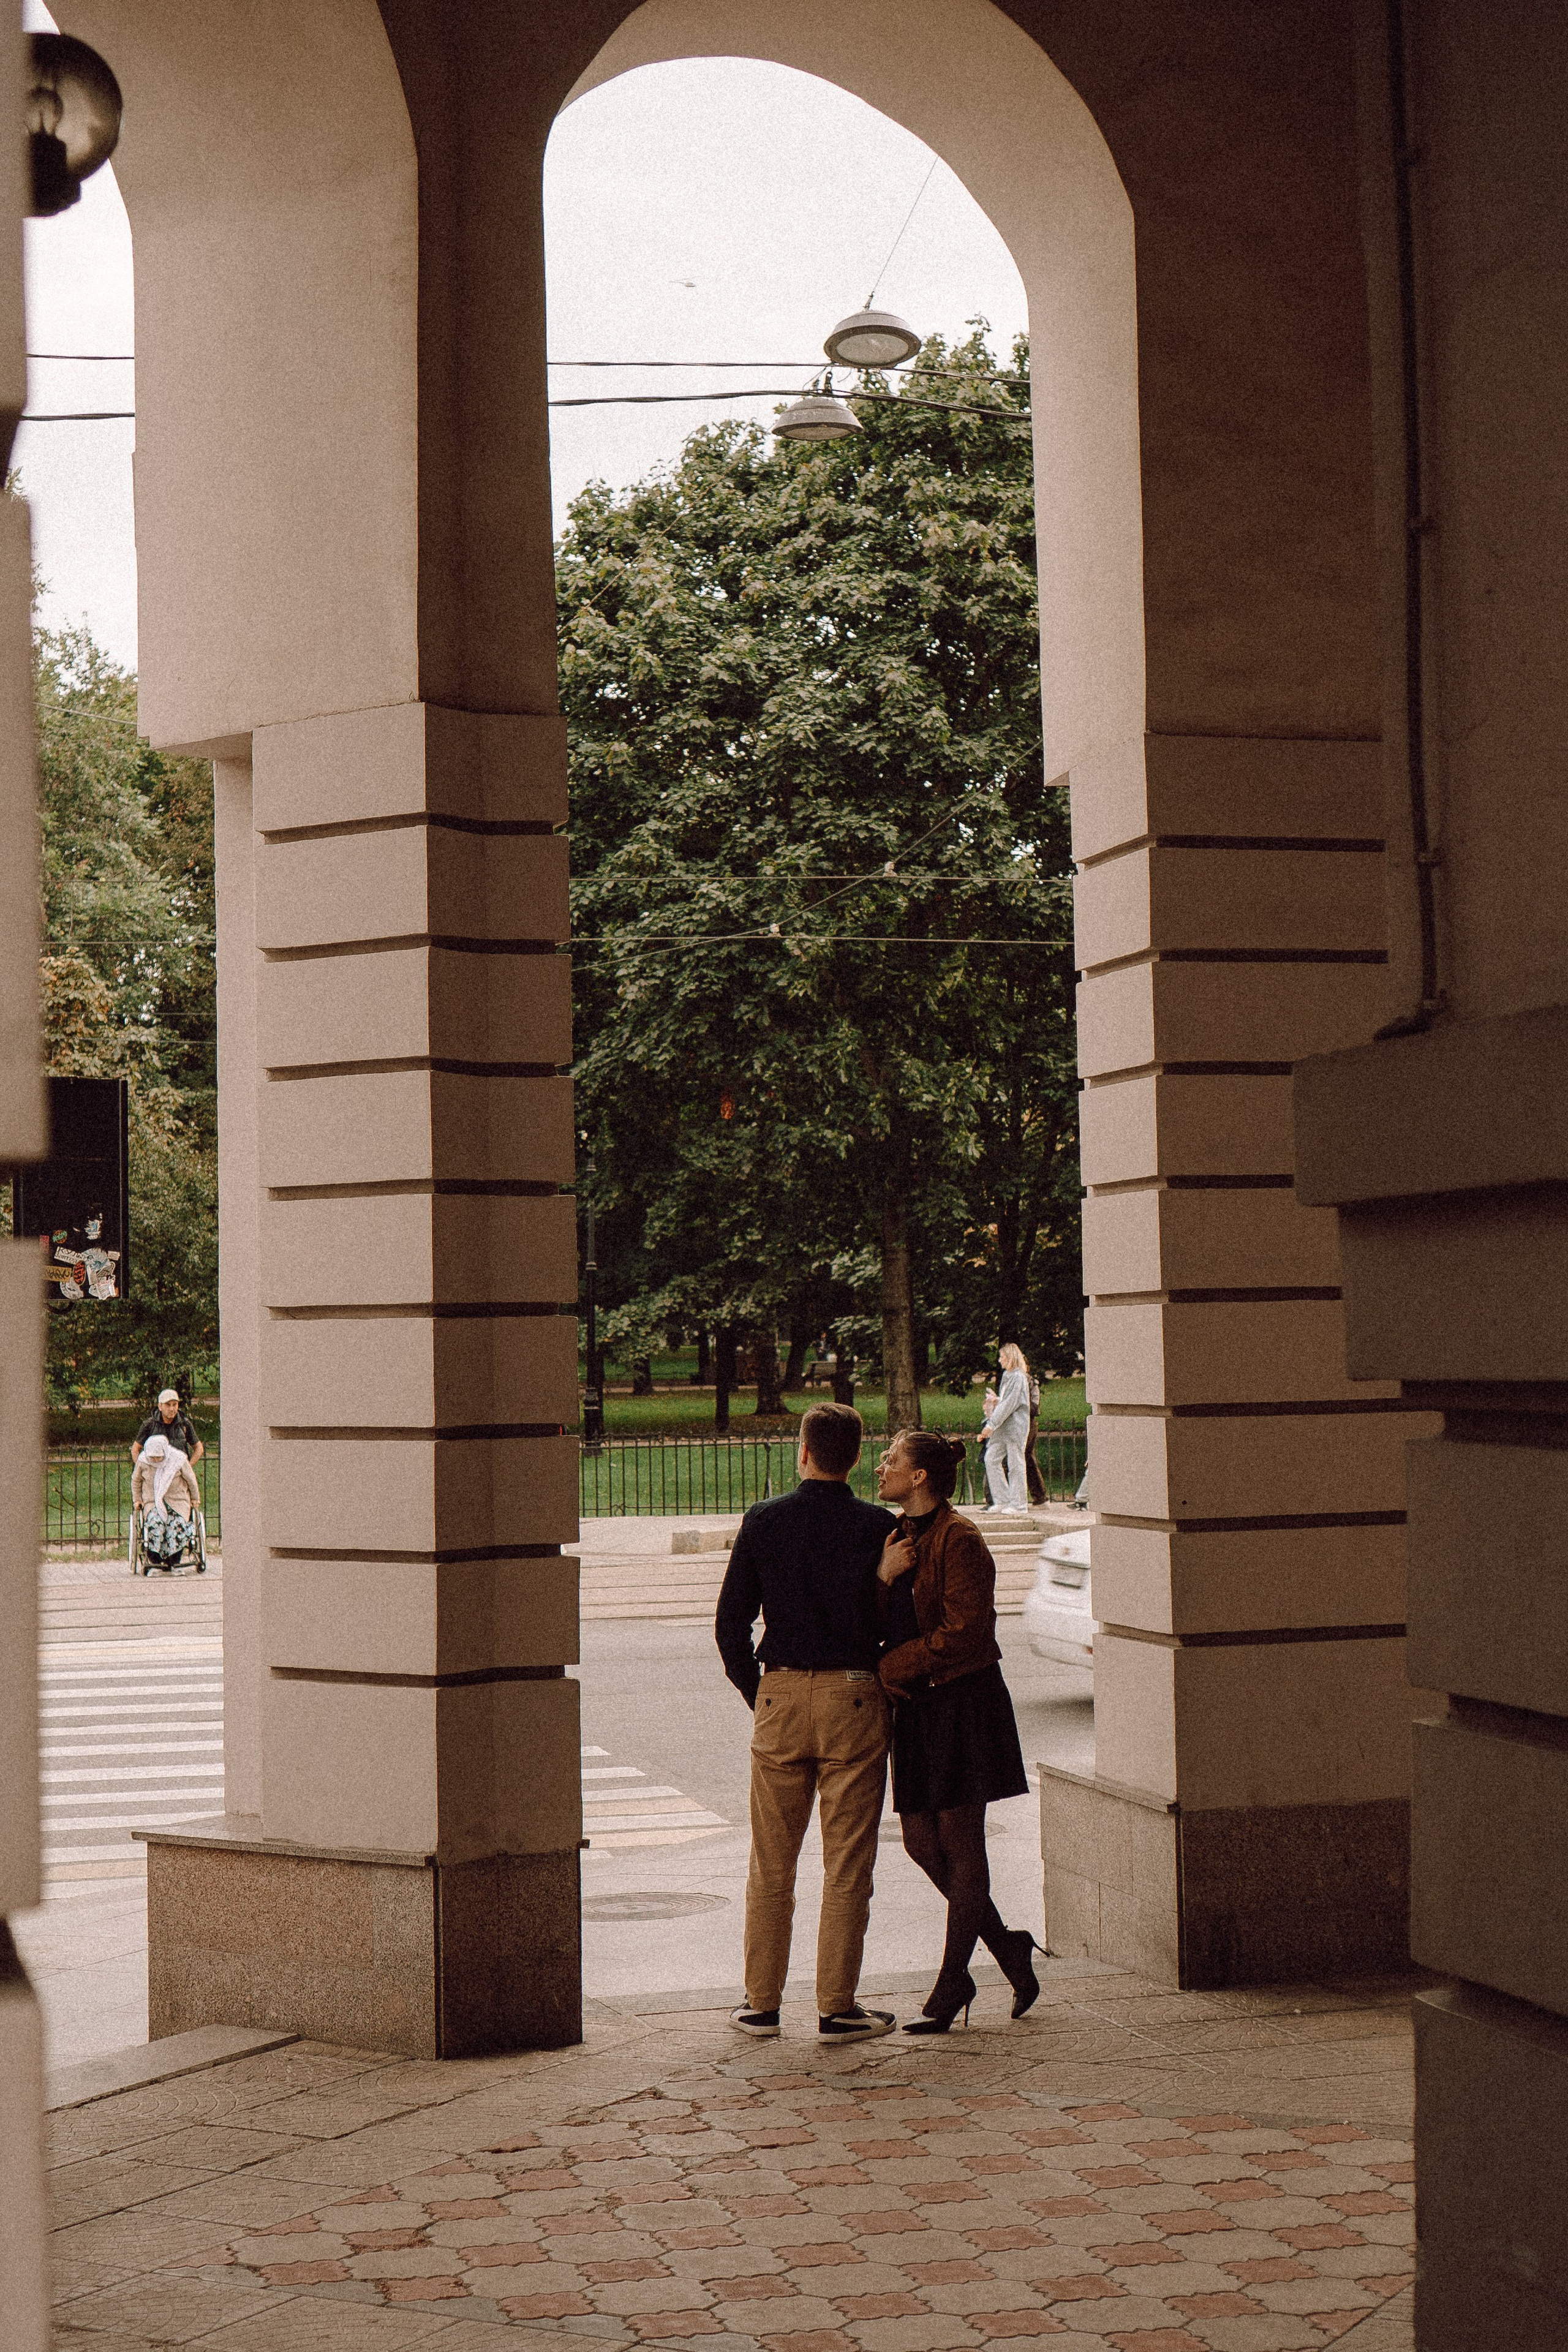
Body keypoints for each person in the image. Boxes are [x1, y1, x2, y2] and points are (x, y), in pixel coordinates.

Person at [715, 1401, 900, 2043]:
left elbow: (729, 1624)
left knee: (772, 1862)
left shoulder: (764, 1521)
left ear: (802, 1450)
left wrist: (759, 1692)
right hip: (853, 1691)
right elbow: (893, 1626)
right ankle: (836, 2006)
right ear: (853, 1457)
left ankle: (760, 2004)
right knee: (847, 1863)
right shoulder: (878, 1526)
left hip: (781, 1692)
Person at [875, 1428, 1042, 2032]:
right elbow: (876, 1617)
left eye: (891, 1459)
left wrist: (895, 1665)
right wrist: (883, 1576)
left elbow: (966, 1632)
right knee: (921, 1842)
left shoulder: (959, 1538)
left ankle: (953, 1981)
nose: (881, 1467)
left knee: (961, 1842)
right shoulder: (896, 1536)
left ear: (920, 1476)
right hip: (918, 1708)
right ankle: (1007, 1950)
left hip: (963, 1702)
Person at [132, 1433, 202, 1568]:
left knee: (176, 1525)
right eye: (153, 1457)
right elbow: (136, 1481)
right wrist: (137, 1500)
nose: (156, 1461)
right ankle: (155, 1561)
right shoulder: (143, 1461)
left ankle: (174, 1560)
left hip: (177, 1501)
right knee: (155, 1524)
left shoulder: (178, 1459)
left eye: (159, 1457)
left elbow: (191, 1480)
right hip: (152, 1502)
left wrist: (195, 1498)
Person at [980, 1343, 1030, 1512]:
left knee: (1016, 1464)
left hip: (1015, 1427)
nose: (1000, 1361)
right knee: (991, 1458)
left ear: (1010, 1358)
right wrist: (996, 1402)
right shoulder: (1008, 1376)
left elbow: (1010, 1404)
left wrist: (991, 1425)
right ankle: (1002, 1499)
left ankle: (1019, 1504)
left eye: (1002, 1357)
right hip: (1004, 1427)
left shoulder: (1018, 1377)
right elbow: (1006, 1401)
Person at [131, 1387, 203, 1469]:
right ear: (160, 1406)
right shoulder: (150, 1425)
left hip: (178, 1475)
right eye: (168, 1405)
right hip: (156, 1476)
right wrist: (143, 1470)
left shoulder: (184, 1424)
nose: (172, 1409)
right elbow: (135, 1449)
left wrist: (188, 1468)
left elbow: (199, 1448)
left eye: (175, 1404)